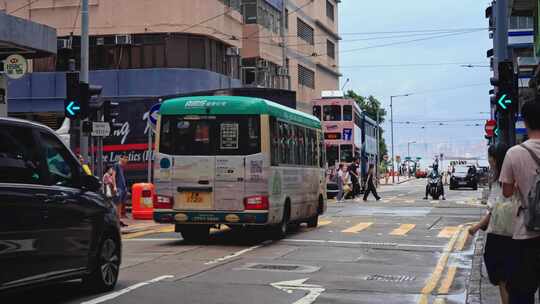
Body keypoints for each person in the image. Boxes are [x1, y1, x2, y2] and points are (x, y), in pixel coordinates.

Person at [499, 101, 540, 304]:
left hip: (526, 234)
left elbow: (506, 192)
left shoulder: (514, 153)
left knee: (522, 294)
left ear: (525, 122)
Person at [469, 143, 513, 304]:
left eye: (489, 157)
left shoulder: (500, 181)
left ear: (494, 160)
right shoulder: (513, 176)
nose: (488, 160)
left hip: (499, 235)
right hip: (517, 233)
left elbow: (493, 210)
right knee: (510, 280)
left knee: (502, 280)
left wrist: (476, 227)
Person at [113, 154, 129, 227]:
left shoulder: (121, 167)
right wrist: (115, 187)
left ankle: (119, 220)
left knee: (120, 205)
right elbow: (113, 176)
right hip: (118, 188)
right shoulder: (116, 165)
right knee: (117, 205)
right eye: (125, 158)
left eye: (127, 159)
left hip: (122, 188)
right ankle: (116, 221)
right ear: (121, 158)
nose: (126, 160)